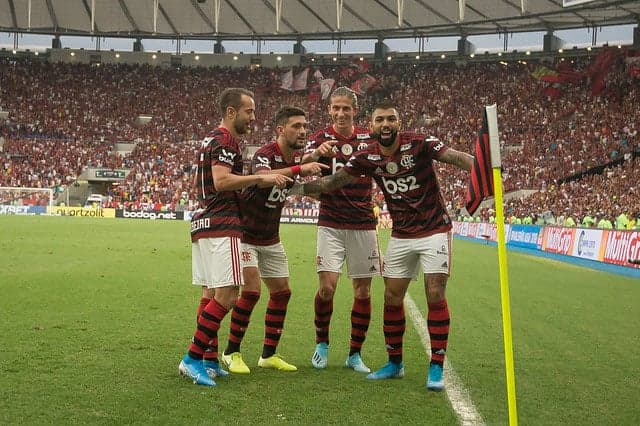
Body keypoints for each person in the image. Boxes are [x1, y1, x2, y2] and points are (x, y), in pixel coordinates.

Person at [291, 100, 474, 391]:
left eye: (390, 119)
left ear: (398, 123)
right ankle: (394, 363)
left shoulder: (420, 143)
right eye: (380, 120)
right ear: (372, 125)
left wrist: (486, 171)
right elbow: (331, 183)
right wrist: (291, 186)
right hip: (401, 234)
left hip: (434, 230)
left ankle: (436, 366)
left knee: (435, 292)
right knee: (391, 296)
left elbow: (455, 157)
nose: (385, 124)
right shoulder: (368, 156)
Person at [178, 88, 292, 387]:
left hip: (204, 221)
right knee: (228, 296)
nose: (253, 117)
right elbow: (221, 180)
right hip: (222, 223)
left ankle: (209, 359)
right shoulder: (227, 140)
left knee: (210, 294)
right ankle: (192, 358)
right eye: (249, 111)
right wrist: (260, 178)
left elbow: (198, 182)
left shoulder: (209, 139)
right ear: (231, 112)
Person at [221, 106, 327, 374]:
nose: (303, 131)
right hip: (245, 234)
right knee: (252, 291)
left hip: (270, 238)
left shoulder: (297, 157)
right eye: (296, 126)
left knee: (282, 292)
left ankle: (268, 354)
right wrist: (303, 167)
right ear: (281, 130)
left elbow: (295, 187)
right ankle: (231, 352)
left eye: (305, 125)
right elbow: (265, 179)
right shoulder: (266, 154)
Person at [302, 86, 381, 373]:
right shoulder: (320, 139)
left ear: (354, 110)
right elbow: (298, 169)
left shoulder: (368, 138)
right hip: (331, 222)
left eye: (345, 107)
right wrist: (313, 155)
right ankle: (321, 343)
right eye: (335, 107)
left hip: (362, 223)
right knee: (327, 288)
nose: (340, 112)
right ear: (329, 110)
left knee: (362, 292)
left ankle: (355, 354)